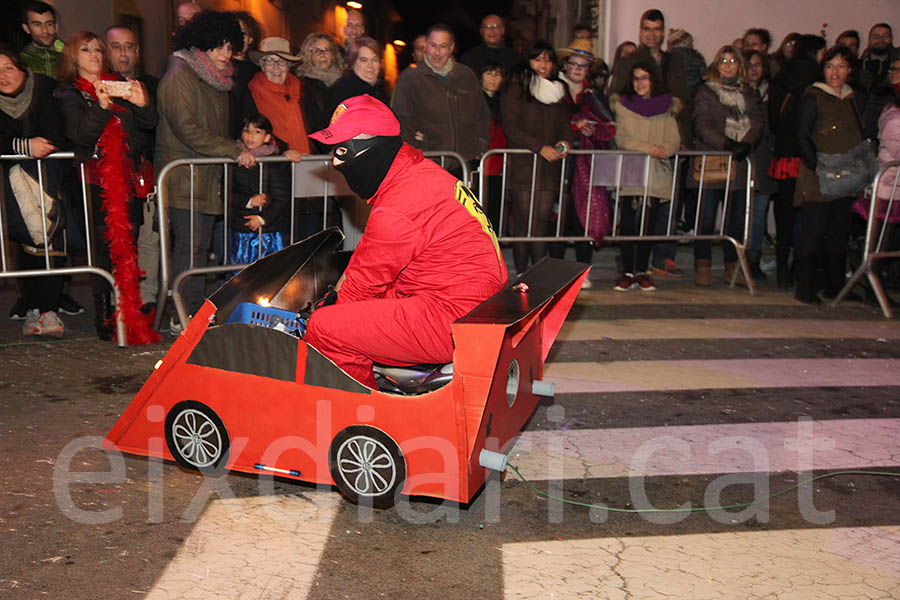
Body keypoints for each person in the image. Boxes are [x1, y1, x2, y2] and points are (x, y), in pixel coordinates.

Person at [304, 94, 507, 388]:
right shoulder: (418, 173)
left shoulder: (399, 204)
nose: (335, 160)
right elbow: (375, 258)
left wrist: (325, 312)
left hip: (455, 318)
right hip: (471, 300)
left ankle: (363, 411)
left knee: (325, 328)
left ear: (371, 147)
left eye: (343, 149)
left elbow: (363, 281)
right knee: (363, 305)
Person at [55, 31, 159, 344]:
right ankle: (106, 316)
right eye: (86, 50)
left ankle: (129, 312)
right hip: (94, 184)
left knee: (130, 251)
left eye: (99, 49)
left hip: (126, 182)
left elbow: (148, 124)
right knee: (104, 252)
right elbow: (79, 136)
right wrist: (101, 107)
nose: (95, 55)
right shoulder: (68, 95)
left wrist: (142, 104)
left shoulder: (119, 86)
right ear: (73, 57)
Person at [156, 10, 255, 323]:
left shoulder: (216, 78)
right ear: (203, 43)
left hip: (206, 176)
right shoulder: (180, 74)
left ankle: (194, 310)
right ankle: (179, 313)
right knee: (189, 247)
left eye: (231, 47)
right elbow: (186, 127)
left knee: (199, 249)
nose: (227, 55)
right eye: (220, 47)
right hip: (185, 175)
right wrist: (231, 149)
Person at [0, 45, 68, 336]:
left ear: (22, 69)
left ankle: (50, 309)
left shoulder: (45, 89)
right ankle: (32, 308)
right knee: (24, 241)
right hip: (14, 183)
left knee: (52, 241)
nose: (2, 76)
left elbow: (56, 133)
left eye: (8, 68)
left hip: (52, 179)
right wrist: (24, 146)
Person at [793, 46, 867, 304]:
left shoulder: (852, 98)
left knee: (839, 233)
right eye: (830, 66)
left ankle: (835, 286)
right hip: (819, 177)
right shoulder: (814, 96)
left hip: (847, 177)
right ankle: (804, 287)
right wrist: (818, 165)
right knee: (813, 232)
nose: (835, 72)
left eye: (841, 66)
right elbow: (801, 135)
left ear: (850, 70)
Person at [691, 45, 764, 288]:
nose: (728, 64)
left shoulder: (750, 93)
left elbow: (757, 122)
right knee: (706, 218)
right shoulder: (706, 92)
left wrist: (746, 144)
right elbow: (701, 125)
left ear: (740, 66)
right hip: (713, 160)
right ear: (716, 64)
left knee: (736, 219)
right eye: (723, 60)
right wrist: (727, 143)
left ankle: (732, 266)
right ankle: (703, 265)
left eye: (733, 60)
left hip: (740, 163)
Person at [499, 39, 573, 275]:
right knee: (523, 223)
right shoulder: (516, 85)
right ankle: (521, 273)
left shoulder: (559, 89)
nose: (543, 64)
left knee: (541, 223)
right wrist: (540, 147)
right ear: (528, 60)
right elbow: (511, 126)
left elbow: (564, 123)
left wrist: (565, 140)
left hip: (548, 166)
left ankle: (538, 273)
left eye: (548, 59)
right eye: (538, 58)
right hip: (524, 163)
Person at [610, 60, 681, 292]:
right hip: (631, 171)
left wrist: (665, 150)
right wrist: (650, 148)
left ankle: (642, 271)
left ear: (653, 81)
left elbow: (674, 140)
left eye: (645, 78)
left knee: (648, 226)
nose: (640, 83)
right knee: (629, 224)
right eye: (636, 78)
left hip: (655, 174)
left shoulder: (666, 108)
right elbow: (623, 139)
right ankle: (627, 271)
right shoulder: (623, 105)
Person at [105, 25, 160, 314]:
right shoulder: (99, 85)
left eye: (129, 46)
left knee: (150, 238)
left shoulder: (152, 84)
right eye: (116, 46)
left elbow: (156, 126)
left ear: (138, 51)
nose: (124, 53)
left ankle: (147, 297)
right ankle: (119, 300)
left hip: (148, 173)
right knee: (120, 238)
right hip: (113, 176)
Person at [768, 34, 826, 289]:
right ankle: (802, 270)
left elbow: (773, 117)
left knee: (785, 216)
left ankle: (782, 272)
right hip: (810, 156)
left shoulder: (781, 76)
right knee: (811, 216)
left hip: (784, 155)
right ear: (818, 52)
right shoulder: (820, 79)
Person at [392, 24, 491, 172]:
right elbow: (401, 119)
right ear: (426, 45)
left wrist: (480, 144)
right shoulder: (410, 78)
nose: (437, 52)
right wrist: (418, 149)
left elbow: (482, 114)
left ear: (451, 48)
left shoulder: (466, 76)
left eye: (443, 46)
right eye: (433, 45)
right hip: (427, 163)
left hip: (464, 164)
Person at [551, 38, 614, 271]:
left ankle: (581, 270)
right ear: (565, 65)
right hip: (557, 163)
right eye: (574, 64)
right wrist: (574, 126)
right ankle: (553, 270)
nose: (577, 69)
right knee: (557, 217)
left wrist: (593, 128)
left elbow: (610, 125)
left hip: (586, 165)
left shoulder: (595, 96)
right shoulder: (553, 90)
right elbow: (548, 124)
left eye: (583, 65)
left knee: (583, 216)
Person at [228, 114, 291, 266]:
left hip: (269, 231)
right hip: (241, 228)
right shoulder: (232, 160)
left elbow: (282, 197)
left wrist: (263, 219)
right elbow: (226, 193)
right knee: (240, 271)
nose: (250, 135)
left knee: (269, 271)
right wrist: (249, 201)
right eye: (246, 130)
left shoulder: (274, 162)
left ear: (267, 137)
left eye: (257, 132)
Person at [243, 37, 308, 162]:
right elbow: (247, 134)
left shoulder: (302, 90)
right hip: (269, 165)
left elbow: (316, 127)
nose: (276, 67)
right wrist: (282, 151)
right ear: (262, 65)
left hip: (304, 163)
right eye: (270, 61)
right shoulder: (251, 93)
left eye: (282, 61)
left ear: (289, 66)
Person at [745, 49, 777, 282]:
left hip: (765, 159)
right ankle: (737, 259)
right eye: (748, 65)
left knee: (758, 213)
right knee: (738, 216)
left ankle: (753, 260)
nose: (753, 69)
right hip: (741, 159)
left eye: (757, 64)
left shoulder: (773, 94)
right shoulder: (735, 93)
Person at [296, 33, 345, 154]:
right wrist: (327, 148)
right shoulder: (302, 84)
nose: (322, 54)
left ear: (333, 55)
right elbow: (311, 122)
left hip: (344, 146)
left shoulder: (344, 81)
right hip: (317, 149)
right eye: (317, 51)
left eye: (326, 50)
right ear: (308, 55)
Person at [478, 61, 506, 232]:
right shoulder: (474, 100)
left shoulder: (504, 102)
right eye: (489, 73)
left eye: (497, 74)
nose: (493, 78)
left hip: (498, 162)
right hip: (480, 160)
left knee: (495, 209)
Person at [329, 36, 389, 113]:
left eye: (375, 60)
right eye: (364, 60)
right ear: (352, 63)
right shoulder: (343, 91)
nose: (370, 66)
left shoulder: (379, 89)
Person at [228, 11, 262, 138]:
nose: (238, 37)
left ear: (250, 39)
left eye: (243, 33)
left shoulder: (258, 71)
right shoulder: (217, 69)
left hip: (252, 139)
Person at [19, 2, 63, 79]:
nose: (45, 30)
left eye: (49, 24)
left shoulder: (72, 57)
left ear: (56, 27)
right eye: (37, 25)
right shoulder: (20, 61)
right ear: (26, 28)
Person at [861, 23, 894, 88]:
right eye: (876, 37)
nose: (880, 40)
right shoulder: (859, 66)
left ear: (891, 39)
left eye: (885, 36)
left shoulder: (897, 65)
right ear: (869, 40)